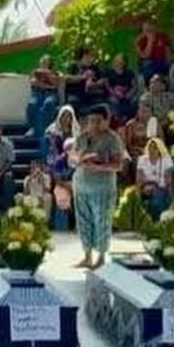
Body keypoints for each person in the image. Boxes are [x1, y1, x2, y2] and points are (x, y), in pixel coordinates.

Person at [73, 105, 124, 269]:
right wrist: (79, 159)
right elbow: (72, 157)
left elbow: (118, 165)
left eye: (98, 121)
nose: (94, 124)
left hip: (103, 187)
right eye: (91, 121)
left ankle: (101, 257)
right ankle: (87, 255)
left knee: (102, 220)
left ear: (106, 121)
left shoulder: (113, 139)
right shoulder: (82, 137)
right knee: (83, 220)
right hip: (81, 184)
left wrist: (98, 166)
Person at [137, 137, 174, 220]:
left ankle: (156, 220)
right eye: (150, 147)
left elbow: (168, 181)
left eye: (155, 147)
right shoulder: (142, 159)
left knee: (156, 202)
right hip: (145, 187)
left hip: (160, 187)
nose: (152, 150)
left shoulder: (167, 160)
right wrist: (141, 190)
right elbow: (139, 179)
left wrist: (169, 195)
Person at [121, 102, 161, 178]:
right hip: (135, 152)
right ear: (138, 112)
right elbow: (128, 144)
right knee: (138, 161)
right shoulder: (131, 125)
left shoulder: (155, 124)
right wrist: (138, 151)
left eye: (148, 112)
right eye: (142, 111)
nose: (145, 114)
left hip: (152, 152)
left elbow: (160, 142)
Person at [64, 47, 106, 114]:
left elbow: (103, 80)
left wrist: (95, 84)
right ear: (81, 58)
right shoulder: (74, 66)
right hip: (75, 94)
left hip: (91, 95)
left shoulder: (94, 67)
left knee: (103, 105)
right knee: (73, 103)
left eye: (92, 57)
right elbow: (66, 78)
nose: (90, 59)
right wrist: (83, 77)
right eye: (87, 57)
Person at [27, 55, 59, 136]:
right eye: (42, 62)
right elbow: (33, 82)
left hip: (50, 94)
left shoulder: (54, 73)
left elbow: (55, 85)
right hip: (37, 94)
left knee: (49, 103)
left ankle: (45, 128)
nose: (43, 64)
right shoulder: (35, 72)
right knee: (32, 104)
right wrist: (47, 86)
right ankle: (33, 128)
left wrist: (47, 74)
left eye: (45, 62)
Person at [136, 20, 173, 85]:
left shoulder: (163, 36)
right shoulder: (141, 40)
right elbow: (147, 56)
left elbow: (168, 53)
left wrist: (169, 64)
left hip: (162, 62)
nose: (150, 30)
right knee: (149, 65)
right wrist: (150, 41)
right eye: (147, 29)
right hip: (149, 64)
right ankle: (151, 85)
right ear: (143, 30)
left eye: (151, 26)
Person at [104, 53, 138, 124]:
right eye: (115, 60)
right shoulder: (109, 72)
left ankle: (129, 119)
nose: (116, 61)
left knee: (134, 100)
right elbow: (107, 86)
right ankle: (118, 120)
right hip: (113, 94)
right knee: (114, 101)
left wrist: (129, 94)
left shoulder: (129, 73)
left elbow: (134, 86)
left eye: (119, 60)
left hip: (127, 94)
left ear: (124, 63)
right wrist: (115, 93)